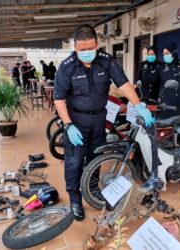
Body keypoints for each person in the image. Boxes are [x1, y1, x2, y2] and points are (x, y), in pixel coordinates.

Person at [54, 24, 154, 221]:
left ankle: (92, 190)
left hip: (100, 119)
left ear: (97, 45)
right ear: (75, 47)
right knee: (74, 162)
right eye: (82, 49)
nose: (86, 52)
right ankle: (75, 200)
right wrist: (67, 125)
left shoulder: (106, 62)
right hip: (76, 121)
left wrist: (139, 105)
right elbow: (59, 99)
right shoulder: (67, 67)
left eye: (90, 48)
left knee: (95, 158)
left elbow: (124, 84)